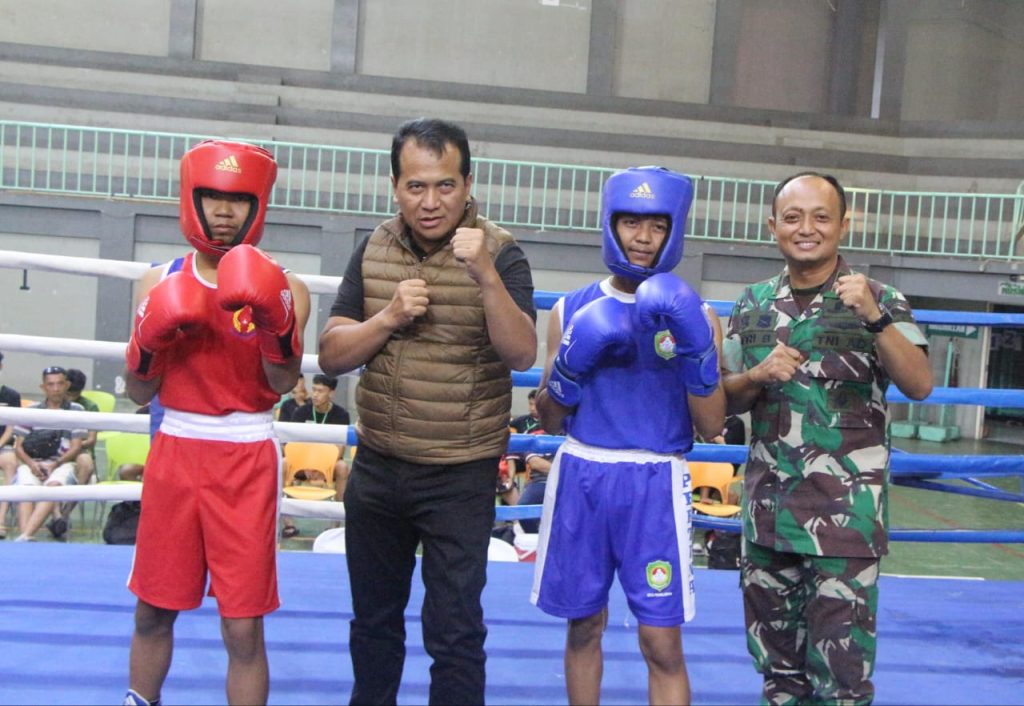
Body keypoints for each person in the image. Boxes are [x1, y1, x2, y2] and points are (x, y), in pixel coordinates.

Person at [318, 117, 537, 705]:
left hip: (459, 475)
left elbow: (521, 354)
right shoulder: (374, 247)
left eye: (445, 185)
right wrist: (387, 317)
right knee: (373, 622)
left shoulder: (502, 252)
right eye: (416, 186)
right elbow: (332, 355)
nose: (431, 201)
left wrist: (485, 275)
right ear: (395, 186)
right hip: (379, 467)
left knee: (455, 630)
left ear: (468, 184)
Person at [721, 171, 933, 705]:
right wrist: (756, 375)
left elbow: (919, 384)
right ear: (773, 226)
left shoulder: (881, 298)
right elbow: (725, 401)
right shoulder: (752, 303)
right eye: (792, 217)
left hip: (845, 526)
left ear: (843, 225)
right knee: (779, 681)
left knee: (842, 686)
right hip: (768, 522)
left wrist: (876, 320)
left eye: (821, 217)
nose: (806, 228)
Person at [121, 139, 310, 706]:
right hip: (176, 449)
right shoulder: (158, 282)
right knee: (152, 608)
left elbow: (281, 385)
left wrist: (278, 327)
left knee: (242, 625)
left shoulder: (287, 287)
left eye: (238, 200)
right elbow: (139, 393)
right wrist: (148, 344)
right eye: (211, 197)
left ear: (258, 206)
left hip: (245, 455)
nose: (224, 212)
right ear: (191, 199)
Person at [532, 166, 725, 706]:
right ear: (610, 224)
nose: (643, 237)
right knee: (583, 626)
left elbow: (713, 425)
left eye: (657, 226)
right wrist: (569, 368)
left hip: (656, 483)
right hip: (583, 473)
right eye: (631, 223)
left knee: (661, 642)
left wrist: (698, 353)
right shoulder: (571, 309)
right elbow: (548, 418)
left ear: (674, 230)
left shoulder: (699, 314)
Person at [10, 366, 86, 542]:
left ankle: (25, 536)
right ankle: (25, 537)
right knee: (26, 489)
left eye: (60, 383)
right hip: (32, 462)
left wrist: (55, 464)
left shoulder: (77, 410)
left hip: (62, 463)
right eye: (51, 384)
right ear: (43, 387)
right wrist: (32, 464)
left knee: (54, 486)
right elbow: (18, 447)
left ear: (67, 385)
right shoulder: (31, 411)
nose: (56, 388)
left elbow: (76, 447)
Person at [282, 373, 351, 539]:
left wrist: (323, 466)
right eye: (313, 390)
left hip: (328, 467)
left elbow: (340, 447)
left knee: (343, 467)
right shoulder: (300, 412)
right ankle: (288, 523)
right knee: (283, 463)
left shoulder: (341, 415)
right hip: (302, 465)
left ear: (331, 393)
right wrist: (306, 465)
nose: (315, 394)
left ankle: (335, 523)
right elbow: (292, 444)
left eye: (320, 391)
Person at [60, 368, 99, 522]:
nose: (70, 397)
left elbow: (91, 440)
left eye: (74, 394)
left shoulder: (90, 407)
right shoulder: (53, 403)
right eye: (68, 393)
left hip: (80, 451)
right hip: (54, 449)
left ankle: (65, 512)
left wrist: (73, 446)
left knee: (86, 465)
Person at [0, 350, 23, 539]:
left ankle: (0, 521)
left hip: (3, 446)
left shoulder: (11, 395)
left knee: (10, 463)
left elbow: (11, 428)